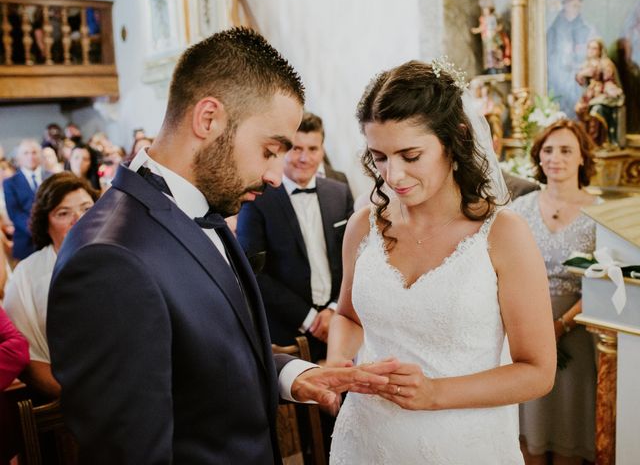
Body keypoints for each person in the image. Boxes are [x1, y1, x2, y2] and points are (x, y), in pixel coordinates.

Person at [46, 27, 397, 464]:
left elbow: (210, 358)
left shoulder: (200, 211)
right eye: (270, 150)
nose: (274, 176)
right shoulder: (110, 261)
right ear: (208, 119)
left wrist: (294, 376)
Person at [326, 60, 556, 464]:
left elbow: (537, 370)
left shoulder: (504, 235)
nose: (392, 174)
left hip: (464, 445)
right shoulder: (364, 225)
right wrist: (337, 363)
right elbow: (348, 317)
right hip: (364, 440)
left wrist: (435, 393)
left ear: (455, 140)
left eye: (410, 155)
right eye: (379, 157)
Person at [511, 119, 599, 464]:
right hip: (525, 332)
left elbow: (604, 283)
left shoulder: (599, 215)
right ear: (538, 156)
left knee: (568, 426)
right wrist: (531, 328)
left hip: (578, 330)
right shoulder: (518, 211)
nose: (555, 158)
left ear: (581, 158)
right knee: (527, 425)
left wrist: (561, 325)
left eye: (565, 150)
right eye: (547, 150)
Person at [237, 111, 354, 362]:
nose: (304, 158)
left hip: (339, 324)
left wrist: (334, 309)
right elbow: (252, 271)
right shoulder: (257, 198)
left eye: (313, 149)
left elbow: (354, 257)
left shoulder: (339, 193)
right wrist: (311, 320)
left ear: (322, 150)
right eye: (297, 148)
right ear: (283, 150)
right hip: (287, 333)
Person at [4, 172, 98, 399]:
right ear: (45, 223)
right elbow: (30, 359)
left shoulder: (126, 258)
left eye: (87, 208)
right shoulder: (27, 275)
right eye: (63, 213)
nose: (79, 220)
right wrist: (82, 402)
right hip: (70, 400)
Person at [546, 0, 597, 117]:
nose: (576, 3)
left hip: (579, 83)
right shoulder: (553, 29)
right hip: (558, 81)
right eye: (572, 0)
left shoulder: (588, 28)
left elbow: (596, 55)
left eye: (579, 0)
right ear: (564, 4)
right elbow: (548, 60)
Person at [3, 139, 51, 260]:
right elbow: (14, 213)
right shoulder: (10, 183)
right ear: (18, 158)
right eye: (26, 153)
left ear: (40, 155)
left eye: (34, 152)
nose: (31, 156)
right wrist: (37, 229)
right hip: (25, 242)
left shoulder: (52, 177)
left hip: (52, 238)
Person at [575, 38, 625, 147]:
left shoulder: (605, 63)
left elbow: (609, 80)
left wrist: (610, 89)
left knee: (596, 110)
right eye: (589, 48)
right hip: (589, 95)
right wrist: (582, 74)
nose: (591, 51)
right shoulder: (586, 64)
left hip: (601, 93)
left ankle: (598, 141)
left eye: (594, 48)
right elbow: (580, 80)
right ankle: (586, 141)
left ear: (600, 50)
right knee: (579, 109)